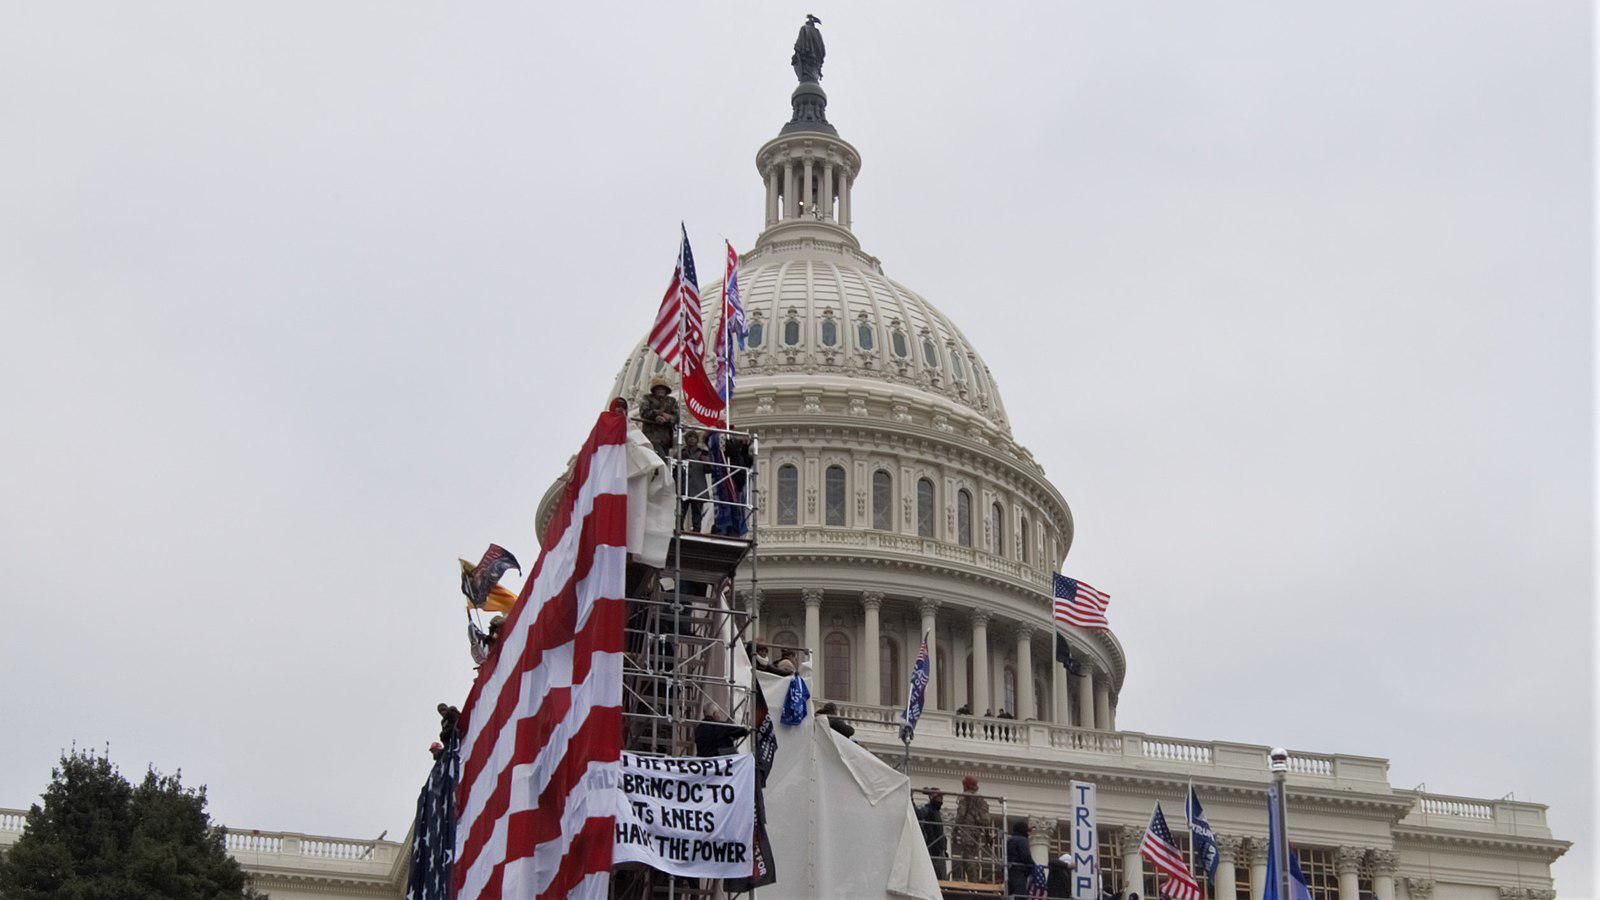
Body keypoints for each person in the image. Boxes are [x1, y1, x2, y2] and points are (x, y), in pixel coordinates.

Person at [952, 774, 990, 882]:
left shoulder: (965, 797)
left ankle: (973, 880)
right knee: (972, 856)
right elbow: (986, 819)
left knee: (967, 856)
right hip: (977, 832)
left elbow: (961, 815)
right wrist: (987, 836)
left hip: (967, 830)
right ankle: (974, 878)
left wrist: (955, 831)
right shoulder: (981, 800)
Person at [677, 431, 711, 532]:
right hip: (684, 485)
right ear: (686, 439)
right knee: (681, 510)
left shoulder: (703, 453)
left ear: (697, 440)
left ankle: (697, 529)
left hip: (698, 486)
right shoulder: (680, 452)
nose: (691, 439)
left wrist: (706, 461)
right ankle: (680, 528)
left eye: (694, 437)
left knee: (697, 511)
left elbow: (709, 469)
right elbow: (675, 470)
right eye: (689, 437)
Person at [638, 377, 679, 456]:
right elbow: (644, 412)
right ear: (654, 390)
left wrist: (669, 418)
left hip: (666, 438)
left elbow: (677, 416)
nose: (661, 390)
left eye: (663, 389)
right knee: (660, 457)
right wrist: (658, 416)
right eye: (658, 388)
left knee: (665, 460)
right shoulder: (647, 398)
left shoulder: (672, 400)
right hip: (651, 436)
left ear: (666, 390)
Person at [916, 790, 948, 881]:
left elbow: (940, 832)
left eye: (941, 798)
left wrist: (944, 847)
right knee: (933, 875)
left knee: (941, 876)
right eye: (939, 798)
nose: (941, 800)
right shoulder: (928, 809)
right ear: (932, 798)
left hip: (939, 850)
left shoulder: (937, 812)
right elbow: (918, 814)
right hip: (932, 849)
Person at [1005, 819, 1032, 898]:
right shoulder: (1022, 840)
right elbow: (1026, 856)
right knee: (1020, 895)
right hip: (1019, 871)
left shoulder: (1009, 840)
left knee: (1010, 893)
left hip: (1009, 871)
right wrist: (1033, 866)